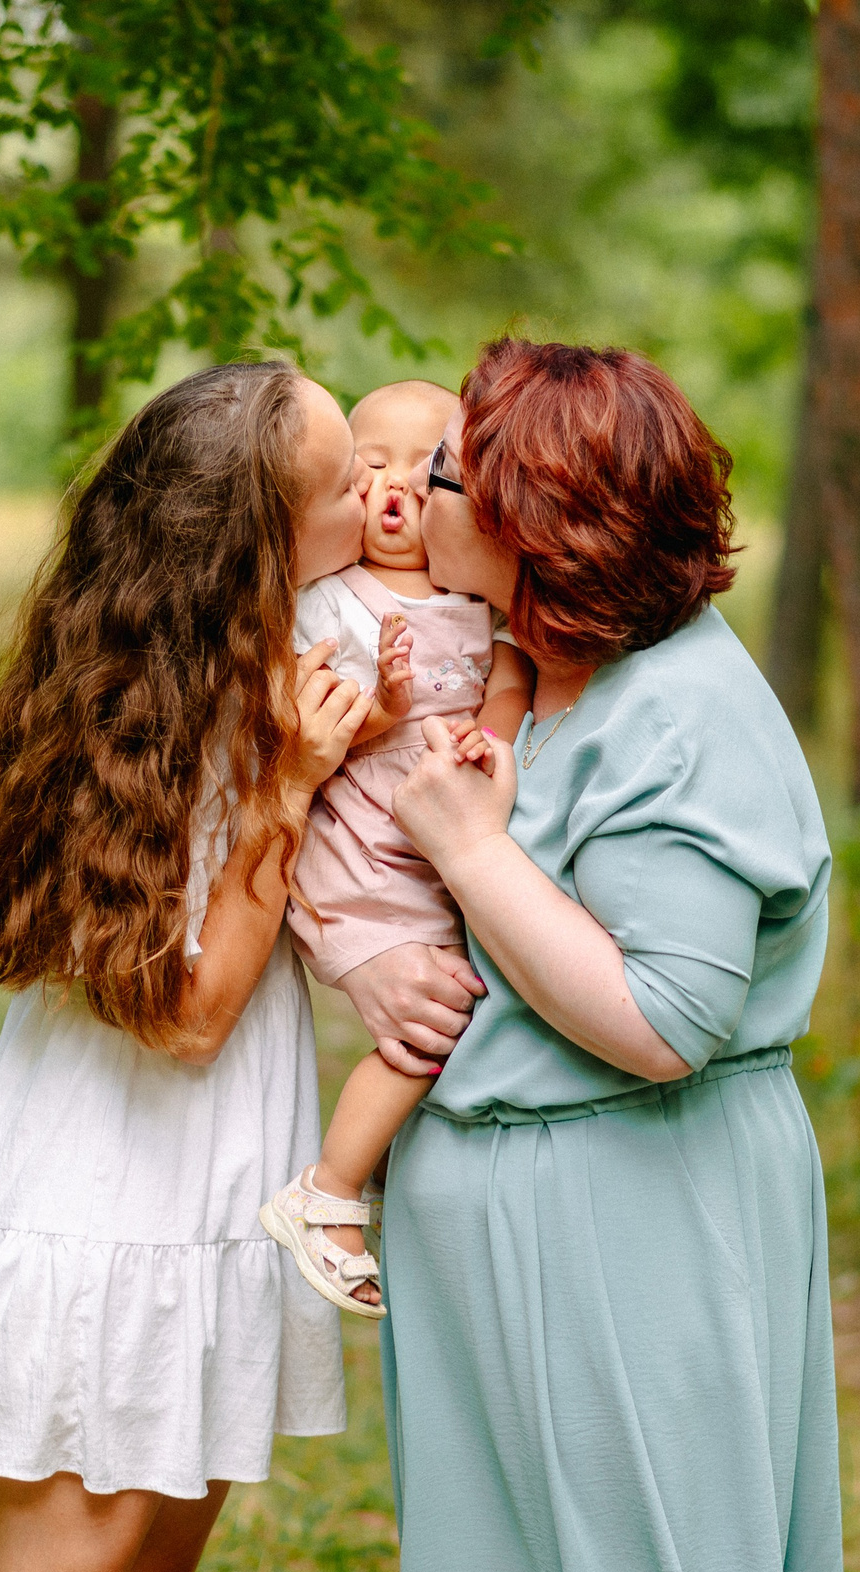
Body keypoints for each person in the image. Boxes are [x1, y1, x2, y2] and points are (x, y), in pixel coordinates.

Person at [379, 338, 844, 1572]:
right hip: (520, 1212)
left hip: (634, 1210)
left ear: (539, 521)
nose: (418, 487)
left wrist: (471, 852)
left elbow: (667, 1015)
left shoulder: (683, 712)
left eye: (447, 470)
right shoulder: (542, 662)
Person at [0, 361, 376, 1572]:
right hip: (111, 1217)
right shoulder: (154, 717)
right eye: (342, 486)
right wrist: (292, 788)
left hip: (197, 1204)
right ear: (258, 541)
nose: (374, 500)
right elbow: (185, 1015)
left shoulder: (254, 670)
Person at [259, 379, 534, 1319]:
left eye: (420, 478)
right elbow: (302, 733)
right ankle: (330, 1193)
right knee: (432, 1024)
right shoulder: (331, 604)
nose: (390, 491)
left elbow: (506, 686)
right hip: (364, 854)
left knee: (455, 1008)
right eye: (367, 469)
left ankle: (363, 1182)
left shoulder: (470, 597)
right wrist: (383, 711)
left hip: (441, 833)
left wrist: (485, 739)